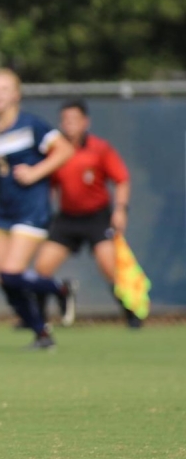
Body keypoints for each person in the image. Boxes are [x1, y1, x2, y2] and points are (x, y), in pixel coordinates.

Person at [0, 69, 74, 349]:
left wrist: (35, 172)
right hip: (4, 213)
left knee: (11, 272)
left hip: (32, 209)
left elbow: (65, 150)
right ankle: (42, 334)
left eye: (4, 89)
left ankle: (59, 288)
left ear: (16, 94)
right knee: (5, 281)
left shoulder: (32, 125)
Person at [32, 99, 138, 327]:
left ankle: (131, 313)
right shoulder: (55, 151)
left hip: (97, 217)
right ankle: (36, 319)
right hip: (67, 218)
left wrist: (120, 210)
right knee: (42, 268)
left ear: (85, 122)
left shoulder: (100, 149)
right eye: (65, 120)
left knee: (110, 267)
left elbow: (122, 179)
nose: (69, 124)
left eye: (75, 120)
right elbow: (47, 187)